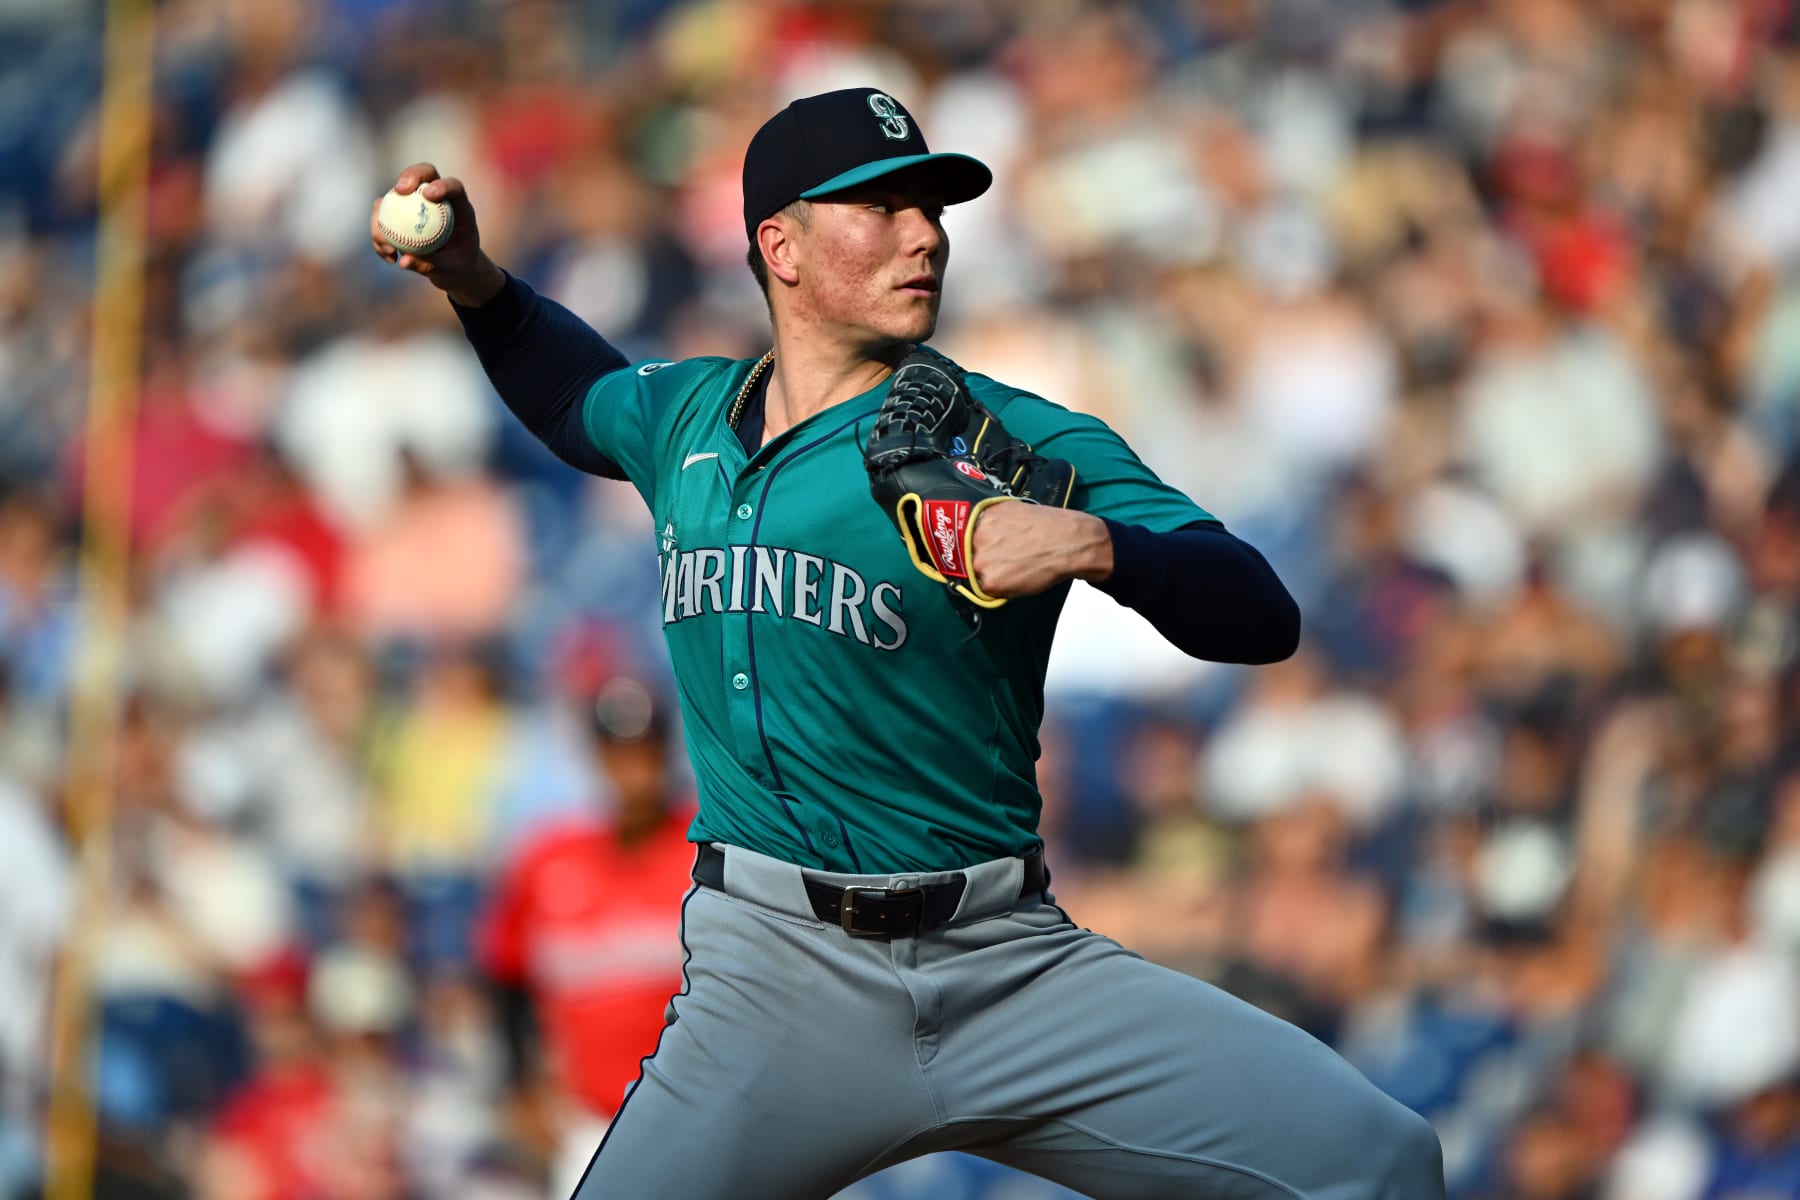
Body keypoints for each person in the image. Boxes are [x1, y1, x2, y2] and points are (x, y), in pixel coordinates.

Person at [373, 87, 1445, 1200]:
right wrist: (473, 281)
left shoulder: (1010, 437)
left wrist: (1095, 542)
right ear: (777, 245)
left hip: (1007, 965)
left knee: (1378, 1163)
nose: (924, 232)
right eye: (878, 208)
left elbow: (1260, 612)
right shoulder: (685, 419)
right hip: (777, 978)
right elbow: (573, 391)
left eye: (930, 207)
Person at [475, 676, 695, 1192]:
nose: (633, 771)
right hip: (587, 1124)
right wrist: (518, 1085)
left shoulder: (705, 851)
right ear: (597, 757)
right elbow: (506, 978)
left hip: (696, 1117)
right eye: (619, 753)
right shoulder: (548, 860)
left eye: (644, 751)